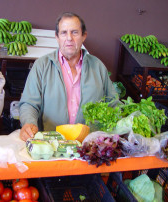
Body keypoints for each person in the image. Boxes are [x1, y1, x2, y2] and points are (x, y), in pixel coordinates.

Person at [19, 12, 118, 141]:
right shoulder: (42, 65)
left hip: (89, 145)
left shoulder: (98, 67)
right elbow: (29, 103)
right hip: (51, 143)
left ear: (84, 36)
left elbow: (113, 103)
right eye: (64, 32)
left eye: (75, 32)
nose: (69, 38)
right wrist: (29, 122)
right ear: (57, 37)